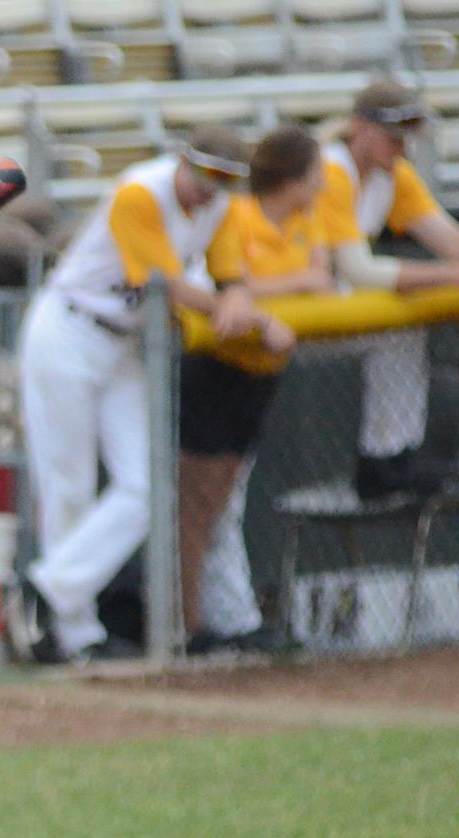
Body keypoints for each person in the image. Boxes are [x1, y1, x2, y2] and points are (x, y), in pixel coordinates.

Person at [6, 127, 293, 665]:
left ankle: (46, 590)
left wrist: (238, 298)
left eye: (224, 182)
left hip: (125, 345)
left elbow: (230, 275)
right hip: (70, 329)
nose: (210, 190)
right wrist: (244, 312)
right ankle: (76, 633)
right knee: (69, 484)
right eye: (205, 175)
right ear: (183, 162)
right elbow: (166, 284)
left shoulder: (221, 207)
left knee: (146, 484)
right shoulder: (141, 191)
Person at [181, 127, 338, 654]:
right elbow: (232, 292)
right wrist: (264, 293)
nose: (320, 187)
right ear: (290, 179)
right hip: (217, 369)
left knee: (228, 502)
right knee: (199, 502)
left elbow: (319, 282)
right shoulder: (238, 215)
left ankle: (230, 619)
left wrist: (260, 294)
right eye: (313, 176)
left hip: (261, 376)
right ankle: (188, 626)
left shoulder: (304, 221)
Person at [317, 81, 459, 500]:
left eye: (406, 138)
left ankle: (388, 460)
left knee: (401, 331)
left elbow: (449, 240)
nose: (401, 147)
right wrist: (449, 276)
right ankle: (383, 461)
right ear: (360, 127)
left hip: (333, 302)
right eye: (392, 136)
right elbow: (358, 271)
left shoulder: (391, 175)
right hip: (271, 302)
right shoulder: (330, 168)